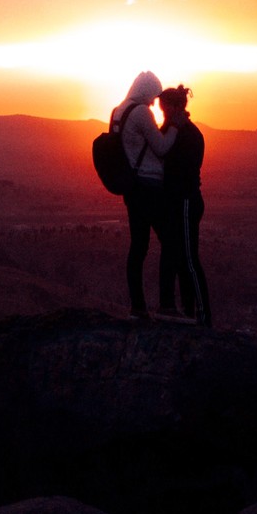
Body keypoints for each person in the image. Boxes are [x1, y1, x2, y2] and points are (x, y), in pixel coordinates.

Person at [108, 70, 179, 319]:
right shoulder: (140, 112)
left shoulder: (118, 111)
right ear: (147, 91)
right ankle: (167, 306)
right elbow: (161, 147)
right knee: (170, 242)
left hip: (132, 188)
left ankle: (138, 307)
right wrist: (175, 129)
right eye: (153, 96)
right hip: (149, 186)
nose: (153, 103)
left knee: (138, 247)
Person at [157, 84, 210, 325]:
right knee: (178, 258)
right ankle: (188, 312)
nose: (163, 113)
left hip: (186, 201)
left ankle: (202, 315)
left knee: (188, 260)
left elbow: (179, 170)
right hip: (176, 202)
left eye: (165, 109)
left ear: (176, 107)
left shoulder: (187, 134)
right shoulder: (174, 130)